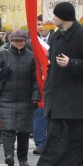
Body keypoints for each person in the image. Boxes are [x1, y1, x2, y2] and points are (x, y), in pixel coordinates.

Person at [30, 2, 83, 166]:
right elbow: (53, 64)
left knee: (82, 141)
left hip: (79, 100)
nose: (52, 18)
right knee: (57, 137)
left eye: (55, 15)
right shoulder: (56, 37)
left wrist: (72, 63)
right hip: (58, 97)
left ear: (63, 16)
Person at [0, 29, 40, 166]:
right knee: (8, 129)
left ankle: (22, 158)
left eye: (21, 41)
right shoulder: (4, 54)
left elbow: (36, 80)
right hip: (6, 98)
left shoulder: (31, 56)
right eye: (16, 40)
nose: (19, 43)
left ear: (25, 41)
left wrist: (35, 97)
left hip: (26, 98)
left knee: (23, 131)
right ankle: (9, 155)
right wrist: (2, 72)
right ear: (11, 41)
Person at [33, 16, 54, 155]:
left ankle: (54, 142)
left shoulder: (57, 40)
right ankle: (40, 143)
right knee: (39, 114)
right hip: (38, 83)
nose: (41, 27)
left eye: (43, 24)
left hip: (54, 81)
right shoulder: (32, 42)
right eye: (38, 24)